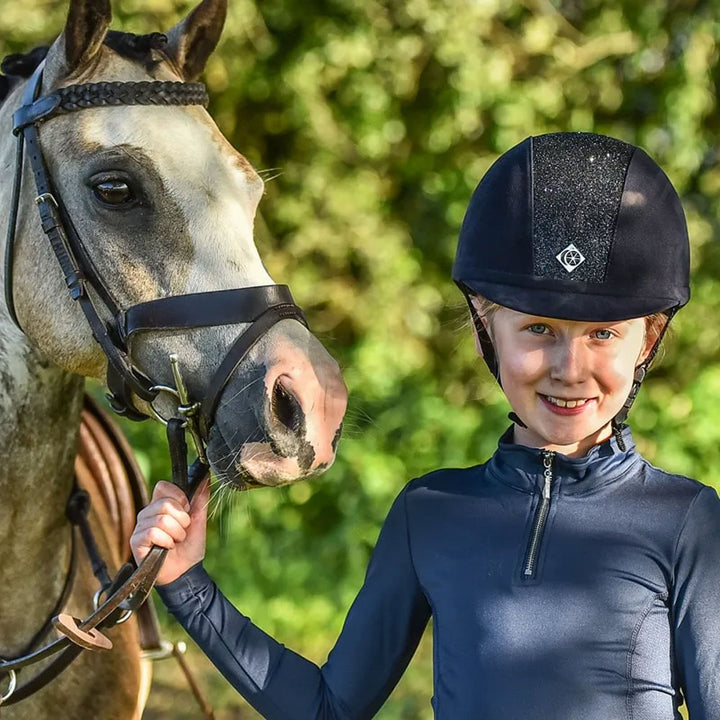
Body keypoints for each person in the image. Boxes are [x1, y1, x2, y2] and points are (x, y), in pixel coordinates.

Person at [131, 131, 720, 719]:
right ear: (487, 327)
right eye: (539, 329)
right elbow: (328, 709)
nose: (570, 369)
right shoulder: (431, 512)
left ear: (649, 339)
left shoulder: (686, 521)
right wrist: (187, 583)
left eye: (603, 334)